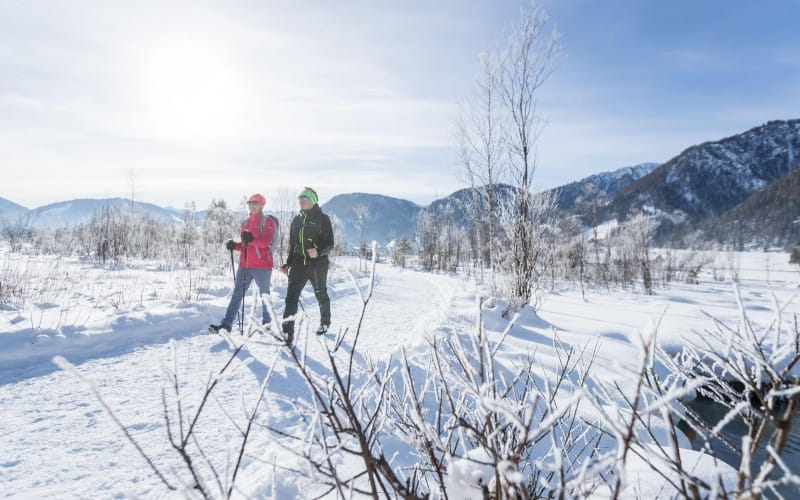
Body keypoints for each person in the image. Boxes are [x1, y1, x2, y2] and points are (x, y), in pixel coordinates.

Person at [209, 193, 276, 334]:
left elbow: (265, 242)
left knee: (264, 295)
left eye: (255, 203)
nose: (252, 205)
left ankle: (267, 325)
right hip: (245, 265)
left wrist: (252, 239)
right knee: (237, 294)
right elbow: (246, 245)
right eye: (250, 202)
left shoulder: (267, 222)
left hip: (262, 266)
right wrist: (235, 246)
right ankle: (226, 325)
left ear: (261, 205)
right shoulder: (245, 223)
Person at [281, 187, 334, 344]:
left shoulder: (322, 219)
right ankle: (287, 332)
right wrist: (288, 264)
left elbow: (330, 243)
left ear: (313, 200)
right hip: (298, 264)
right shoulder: (296, 220)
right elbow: (293, 245)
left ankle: (325, 322)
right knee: (291, 298)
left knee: (321, 294)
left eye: (305, 197)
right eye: (300, 197)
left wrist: (318, 251)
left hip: (318, 265)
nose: (301, 200)